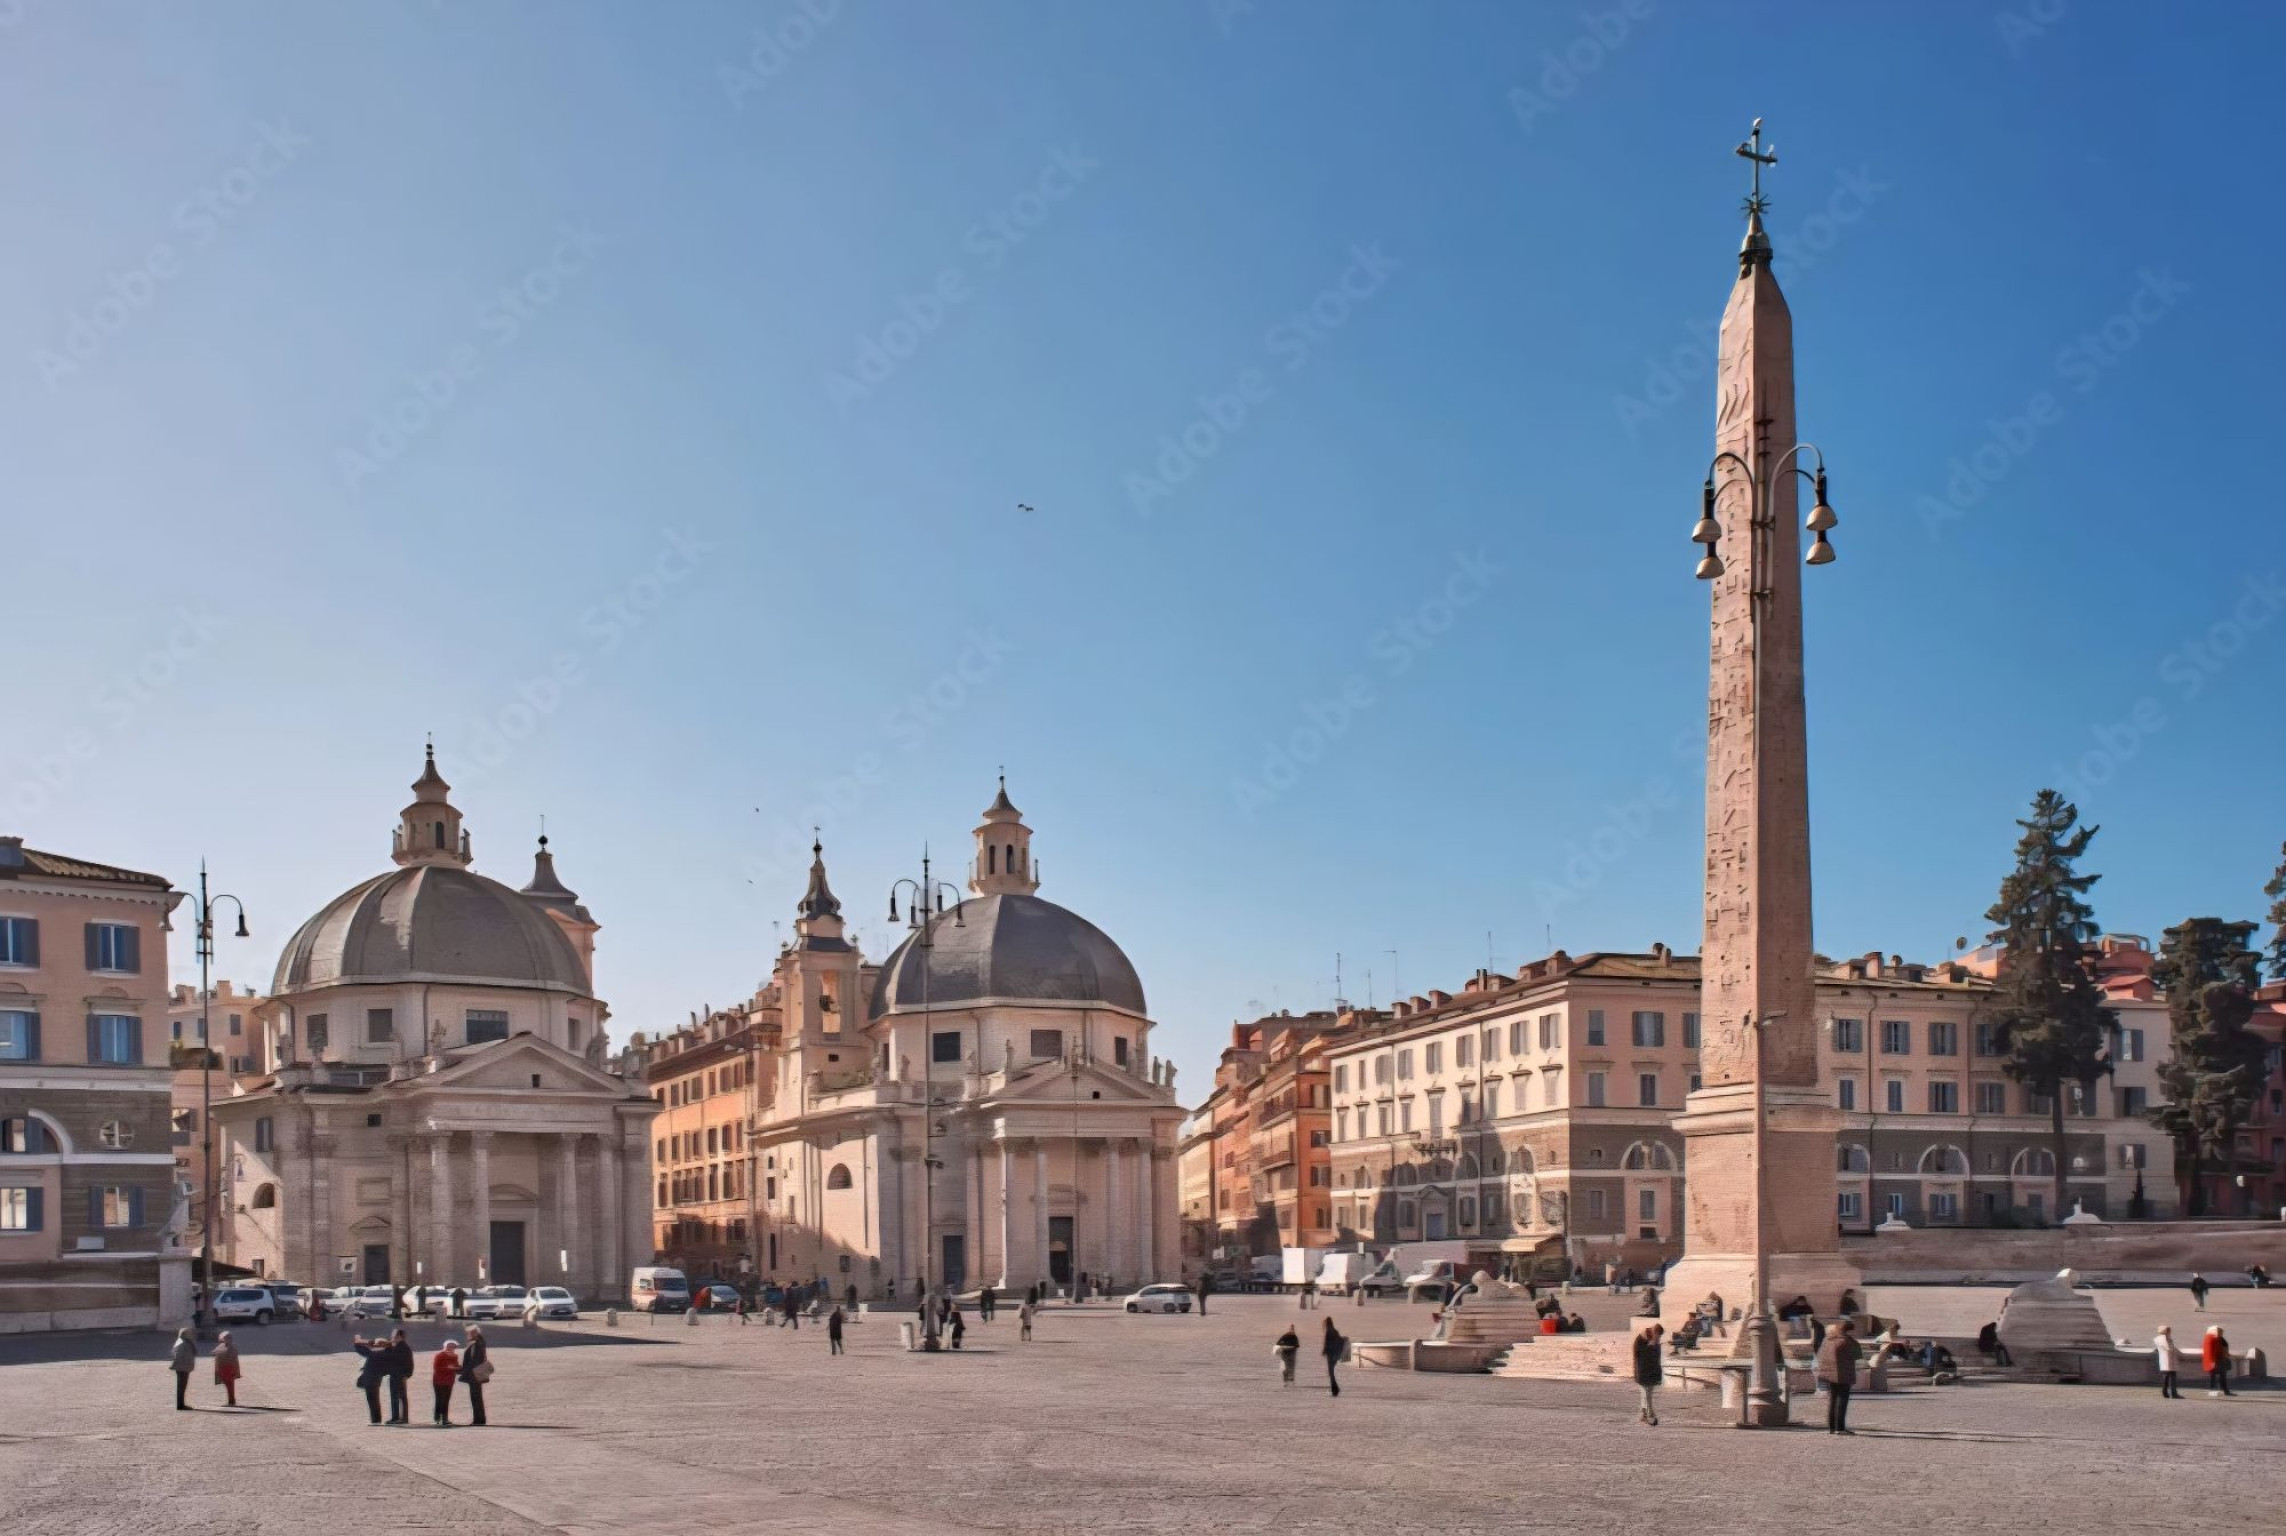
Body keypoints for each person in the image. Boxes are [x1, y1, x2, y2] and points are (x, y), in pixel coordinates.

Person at [1816, 1320, 1862, 1435]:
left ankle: (1832, 1427)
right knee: (1842, 1400)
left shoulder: (1828, 1340)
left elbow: (1821, 1355)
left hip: (1829, 1374)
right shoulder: (1847, 1341)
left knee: (1832, 1400)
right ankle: (1840, 1428)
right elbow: (1858, 1355)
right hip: (1843, 1374)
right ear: (1848, 1330)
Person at [1632, 1323, 1664, 1425]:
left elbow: (1654, 1358)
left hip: (1647, 1373)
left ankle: (1645, 1415)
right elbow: (1648, 1358)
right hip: (1645, 1373)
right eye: (1658, 1335)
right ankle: (1649, 1415)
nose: (1658, 1338)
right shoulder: (1645, 1343)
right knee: (1646, 1394)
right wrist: (1654, 1345)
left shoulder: (1648, 1341)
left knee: (1646, 1394)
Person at [352, 1334, 388, 1424]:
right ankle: (376, 1420)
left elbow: (358, 1347)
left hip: (370, 1381)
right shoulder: (384, 1354)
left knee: (372, 1401)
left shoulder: (373, 1354)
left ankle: (376, 1420)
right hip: (376, 1381)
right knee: (374, 1401)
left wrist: (358, 1339)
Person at [461, 1325, 490, 1426]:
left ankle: (478, 1420)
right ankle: (480, 1419)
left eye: (471, 1332)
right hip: (477, 1373)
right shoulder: (480, 1342)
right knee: (477, 1397)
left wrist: (463, 1371)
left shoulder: (476, 1344)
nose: (469, 1334)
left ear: (475, 1333)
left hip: (474, 1374)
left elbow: (473, 1361)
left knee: (476, 1397)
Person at [385, 1328, 415, 1424]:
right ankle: (399, 1418)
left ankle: (399, 1418)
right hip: (397, 1375)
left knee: (399, 1397)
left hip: (399, 1375)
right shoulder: (399, 1347)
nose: (392, 1338)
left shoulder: (402, 1347)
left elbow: (409, 1363)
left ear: (399, 1337)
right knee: (398, 1397)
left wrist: (406, 1375)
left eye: (394, 1336)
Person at [430, 1339, 460, 1426]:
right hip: (439, 1381)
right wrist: (448, 1368)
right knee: (439, 1399)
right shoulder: (439, 1355)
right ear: (445, 1347)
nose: (451, 1348)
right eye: (450, 1346)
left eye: (453, 1347)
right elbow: (436, 1368)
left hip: (449, 1381)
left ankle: (444, 1418)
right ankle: (438, 1418)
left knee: (446, 1400)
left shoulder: (455, 1356)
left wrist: (458, 1368)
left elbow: (456, 1366)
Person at [169, 1327, 197, 1410]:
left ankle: (181, 1404)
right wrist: (178, 1363)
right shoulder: (181, 1342)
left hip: (184, 1367)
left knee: (182, 1387)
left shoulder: (185, 1341)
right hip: (182, 1368)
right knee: (181, 1387)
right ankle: (180, 1405)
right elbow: (177, 1354)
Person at [2203, 1325, 2234, 1396]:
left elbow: (2224, 1347)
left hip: (2221, 1360)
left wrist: (2226, 1354)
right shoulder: (2213, 1338)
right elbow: (2211, 1350)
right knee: (2213, 1376)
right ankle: (2213, 1390)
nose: (2221, 1333)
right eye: (2219, 1332)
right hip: (2215, 1360)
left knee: (2222, 1376)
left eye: (2221, 1332)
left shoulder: (2220, 1339)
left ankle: (2225, 1390)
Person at [213, 1330, 242, 1407]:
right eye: (225, 1338)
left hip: (229, 1368)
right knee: (228, 1385)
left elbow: (233, 1356)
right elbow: (213, 1353)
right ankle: (231, 1400)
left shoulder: (233, 1347)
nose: (227, 1340)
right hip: (222, 1368)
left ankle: (231, 1401)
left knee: (230, 1385)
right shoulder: (221, 1346)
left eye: (228, 1338)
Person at [1322, 1316, 1347, 1397]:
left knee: (1331, 1372)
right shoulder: (1334, 1331)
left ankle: (1335, 1389)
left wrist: (1325, 1351)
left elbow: (1327, 1343)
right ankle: (1335, 1388)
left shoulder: (1329, 1331)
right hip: (1334, 1354)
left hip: (1331, 1354)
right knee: (1331, 1371)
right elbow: (1339, 1340)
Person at [2154, 1324, 2181, 1399]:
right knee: (2172, 1377)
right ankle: (2173, 1393)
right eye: (2169, 1330)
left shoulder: (2157, 1339)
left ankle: (2165, 1393)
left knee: (2165, 1377)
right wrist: (2173, 1347)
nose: (2170, 1332)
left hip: (2163, 1360)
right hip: (2169, 1360)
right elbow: (2169, 1348)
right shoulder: (2165, 1339)